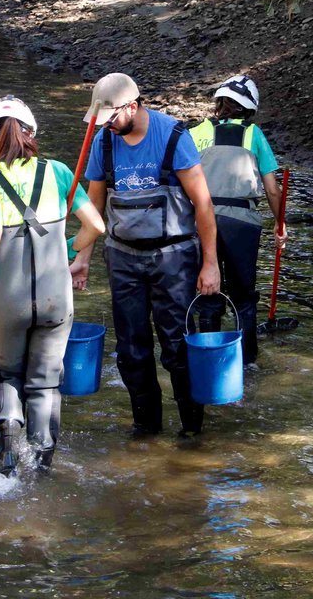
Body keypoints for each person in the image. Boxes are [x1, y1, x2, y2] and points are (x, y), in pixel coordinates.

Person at [0, 95, 104, 475]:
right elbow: (97, 227)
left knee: (7, 372)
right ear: (31, 134)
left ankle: (7, 460)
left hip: (8, 298)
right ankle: (41, 465)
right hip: (57, 297)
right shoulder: (58, 172)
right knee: (45, 383)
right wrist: (68, 248)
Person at [74, 73, 220, 438]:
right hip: (123, 258)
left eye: (111, 119)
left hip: (173, 257)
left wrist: (210, 263)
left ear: (133, 107)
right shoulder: (103, 142)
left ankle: (191, 433)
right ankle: (146, 431)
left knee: (176, 349)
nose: (106, 127)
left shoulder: (173, 136)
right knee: (132, 352)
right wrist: (83, 258)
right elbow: (93, 205)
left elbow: (202, 204)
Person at [189, 74, 287, 365]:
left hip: (201, 221)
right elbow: (272, 189)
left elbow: (181, 181)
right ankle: (248, 365)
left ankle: (207, 361)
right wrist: (280, 224)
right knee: (243, 297)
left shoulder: (196, 133)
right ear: (249, 107)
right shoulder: (254, 135)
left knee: (207, 294)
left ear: (219, 103)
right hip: (242, 224)